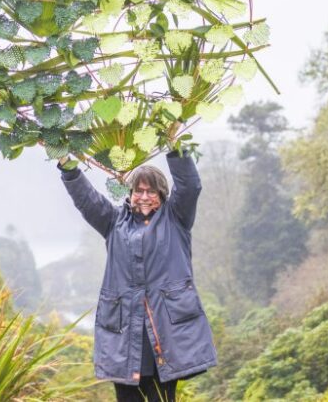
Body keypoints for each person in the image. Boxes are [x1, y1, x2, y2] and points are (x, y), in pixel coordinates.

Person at [57, 149, 218, 402]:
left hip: (165, 330)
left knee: (162, 397)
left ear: (162, 195)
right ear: (130, 195)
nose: (144, 197)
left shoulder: (176, 218)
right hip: (124, 331)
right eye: (138, 191)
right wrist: (68, 166)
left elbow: (190, 186)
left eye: (151, 191)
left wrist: (175, 147)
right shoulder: (113, 221)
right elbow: (87, 200)